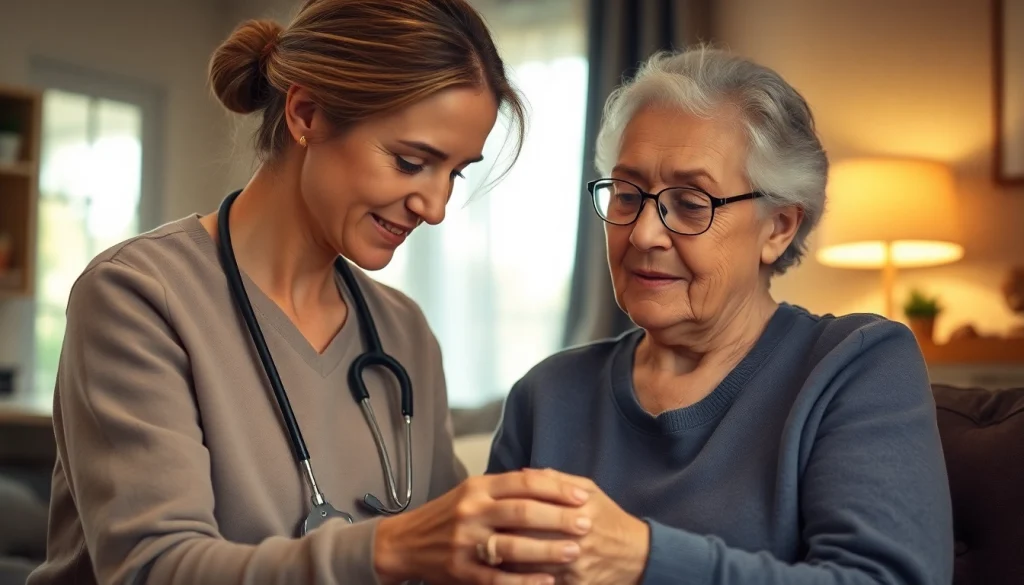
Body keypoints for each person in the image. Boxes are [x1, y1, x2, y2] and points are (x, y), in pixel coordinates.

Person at [27, 2, 597, 584]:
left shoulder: (404, 333)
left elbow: (446, 557)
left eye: (454, 173)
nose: (436, 206)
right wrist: (388, 548)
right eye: (410, 162)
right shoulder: (137, 296)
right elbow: (153, 569)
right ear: (306, 113)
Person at [487, 46, 954, 584]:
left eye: (690, 202)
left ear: (777, 228)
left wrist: (642, 559)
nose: (643, 233)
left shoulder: (856, 367)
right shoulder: (547, 395)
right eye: (626, 194)